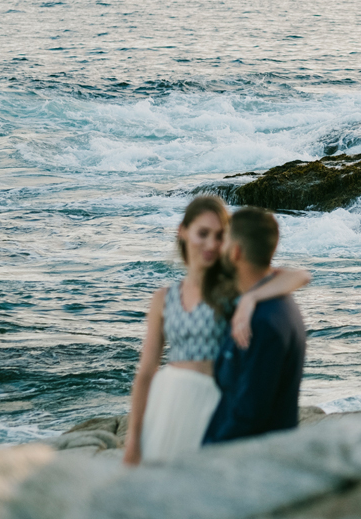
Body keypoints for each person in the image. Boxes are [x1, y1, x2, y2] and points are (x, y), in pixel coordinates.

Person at [123, 196, 310, 466]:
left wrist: (251, 299)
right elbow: (145, 372)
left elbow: (299, 275)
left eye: (219, 236)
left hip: (212, 402)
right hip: (168, 403)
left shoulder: (232, 289)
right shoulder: (164, 298)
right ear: (183, 231)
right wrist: (133, 441)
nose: (211, 244)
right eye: (203, 234)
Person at [203, 207, 307, 445]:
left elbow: (249, 415)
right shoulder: (273, 305)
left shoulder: (263, 323)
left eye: (225, 241)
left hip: (244, 464)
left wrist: (205, 457)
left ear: (236, 252)